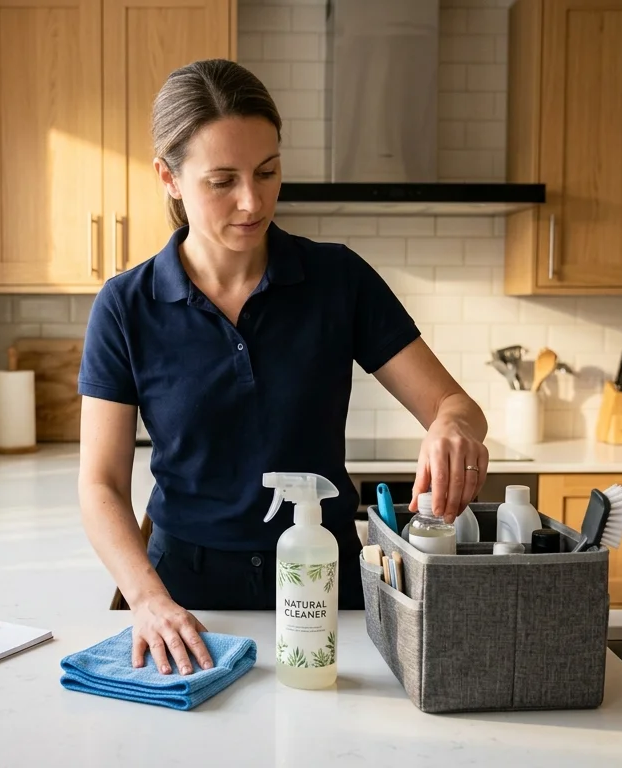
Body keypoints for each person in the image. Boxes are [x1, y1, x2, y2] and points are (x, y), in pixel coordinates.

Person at [76, 59, 488, 677]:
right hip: (188, 593)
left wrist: (453, 427)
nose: (252, 200)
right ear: (169, 177)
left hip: (327, 580)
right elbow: (101, 484)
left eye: (267, 172)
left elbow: (456, 407)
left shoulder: (338, 279)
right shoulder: (127, 306)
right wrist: (148, 600)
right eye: (222, 181)